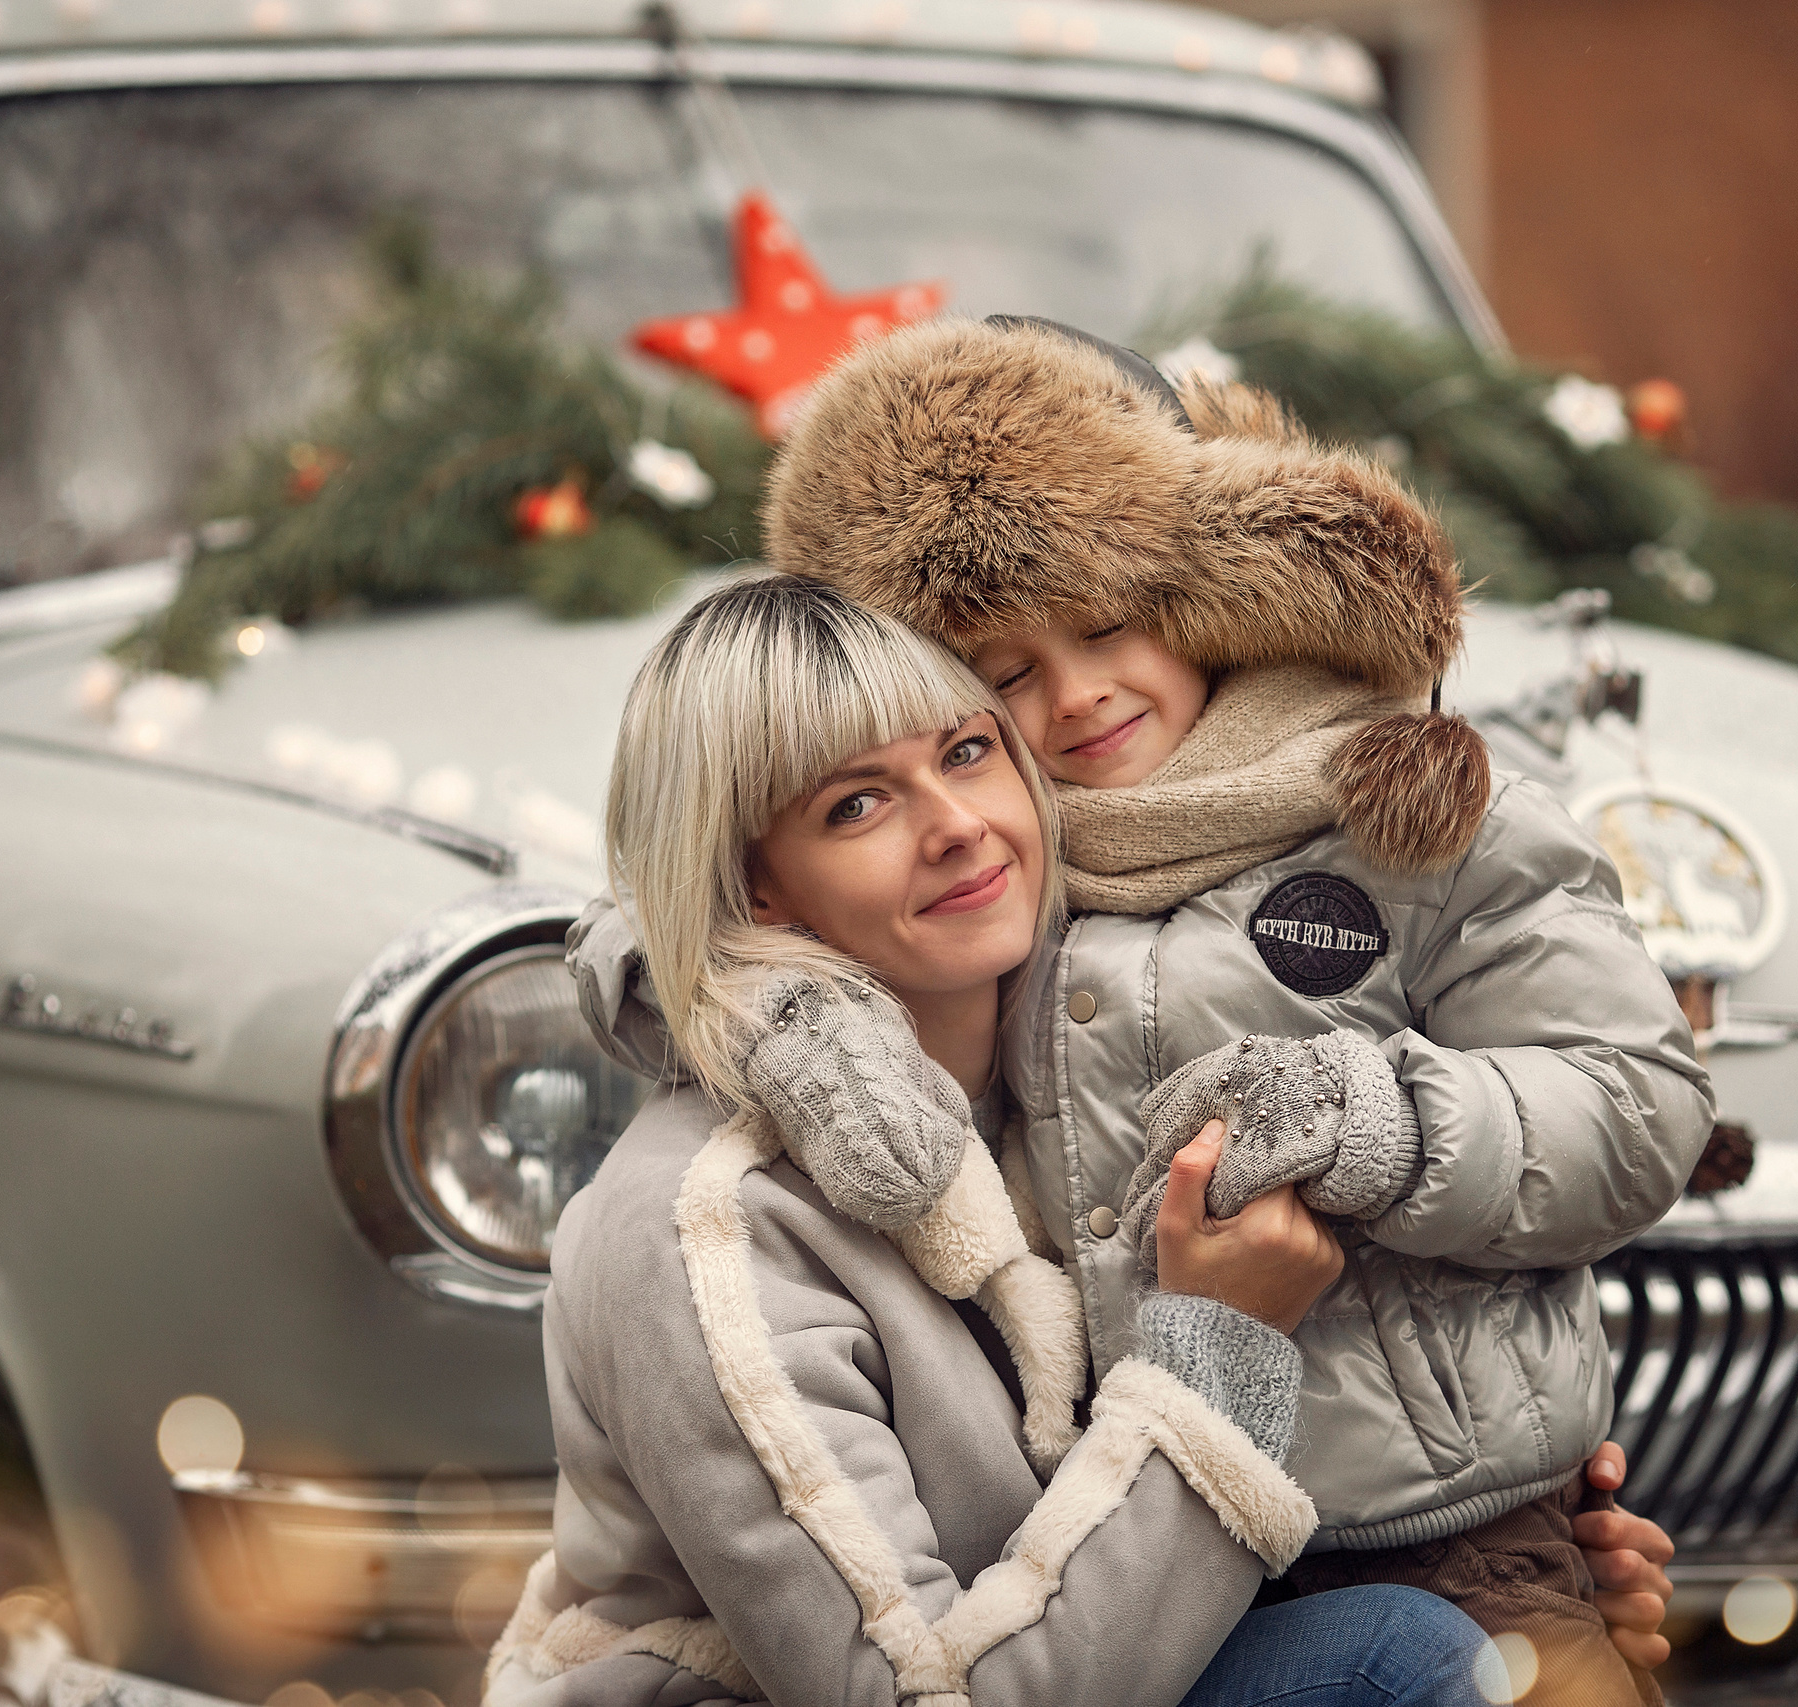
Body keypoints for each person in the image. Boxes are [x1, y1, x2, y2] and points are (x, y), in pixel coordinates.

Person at [485, 576, 1674, 1706]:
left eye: (964, 752)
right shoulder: (702, 1227)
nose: (954, 825)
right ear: (757, 892)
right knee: (1394, 1661)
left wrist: (1517, 1561)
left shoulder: (1051, 1073)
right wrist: (1223, 1348)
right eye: (855, 805)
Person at [761, 319, 1715, 1706]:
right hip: (1122, 1543)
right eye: (1003, 670)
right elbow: (706, 895)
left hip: (1443, 1531)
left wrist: (1385, 1118)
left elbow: (1633, 1104)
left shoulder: (1407, 807)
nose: (1076, 694)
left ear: (1204, 584)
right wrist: (775, 1013)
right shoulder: (978, 859)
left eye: (1105, 622)